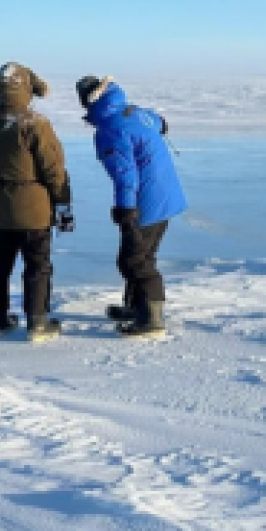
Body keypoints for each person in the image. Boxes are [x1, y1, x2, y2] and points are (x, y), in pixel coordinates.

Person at [0, 63, 74, 341]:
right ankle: (37, 322)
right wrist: (63, 203)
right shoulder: (35, 124)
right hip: (34, 208)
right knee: (37, 264)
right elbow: (54, 169)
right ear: (26, 90)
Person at [76, 75, 186, 338]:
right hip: (166, 194)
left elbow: (125, 175)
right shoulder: (134, 112)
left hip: (146, 200)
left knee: (135, 260)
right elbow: (161, 123)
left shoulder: (112, 129)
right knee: (142, 255)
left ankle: (152, 320)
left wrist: (126, 211)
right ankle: (137, 308)